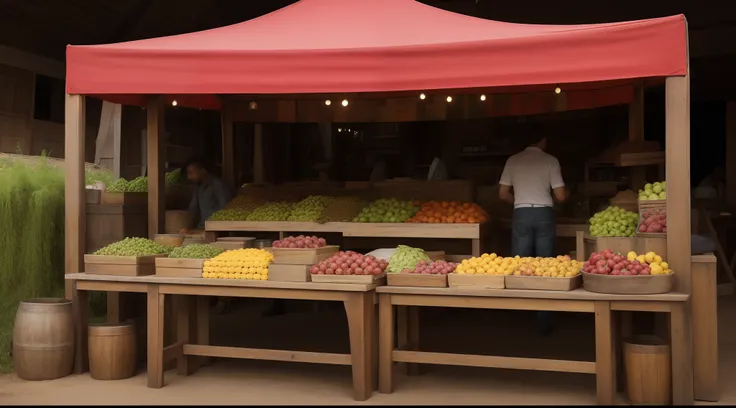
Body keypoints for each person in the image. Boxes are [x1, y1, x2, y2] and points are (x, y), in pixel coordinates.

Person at [498, 130, 567, 335]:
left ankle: (517, 317)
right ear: (543, 140)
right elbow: (561, 196)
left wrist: (518, 203)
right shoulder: (551, 161)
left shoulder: (513, 160)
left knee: (519, 264)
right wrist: (552, 200)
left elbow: (502, 194)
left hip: (521, 213)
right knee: (546, 266)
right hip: (544, 212)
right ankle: (544, 320)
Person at [179, 158, 231, 234]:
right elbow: (193, 208)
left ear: (203, 171)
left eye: (191, 173)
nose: (189, 177)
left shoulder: (217, 185)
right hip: (202, 227)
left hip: (216, 229)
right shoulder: (198, 187)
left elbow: (226, 209)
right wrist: (187, 227)